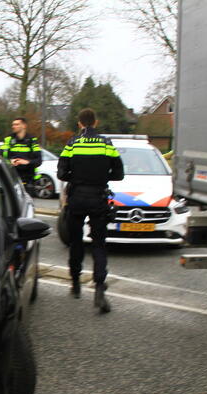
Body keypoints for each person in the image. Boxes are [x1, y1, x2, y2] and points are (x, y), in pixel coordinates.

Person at [57, 109, 123, 313]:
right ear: (96, 122)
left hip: (76, 198)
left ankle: (76, 284)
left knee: (76, 242)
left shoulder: (72, 143)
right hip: (98, 198)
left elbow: (61, 172)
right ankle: (100, 290)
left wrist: (76, 177)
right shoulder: (106, 144)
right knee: (99, 245)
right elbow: (119, 174)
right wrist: (101, 177)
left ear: (79, 124)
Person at [0, 117, 42, 194]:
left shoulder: (32, 140)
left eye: (17, 124)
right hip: (11, 178)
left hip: (28, 180)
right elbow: (0, 157)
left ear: (24, 126)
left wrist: (26, 162)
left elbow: (38, 161)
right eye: (13, 124)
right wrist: (10, 161)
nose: (13, 126)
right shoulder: (8, 139)